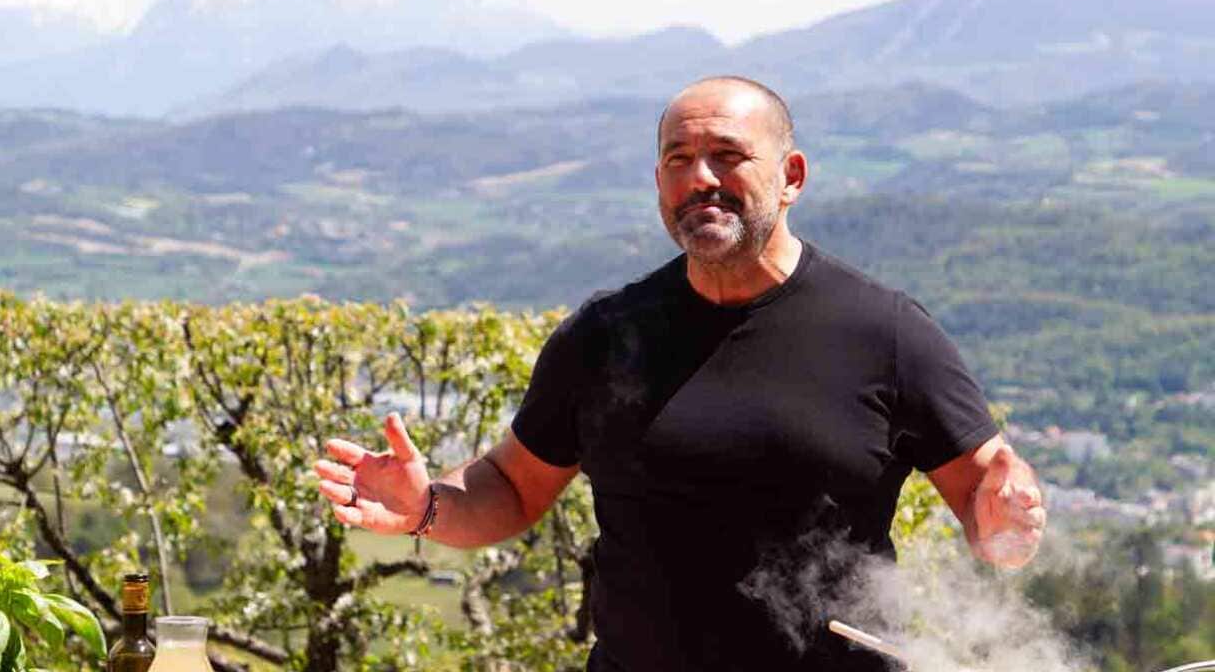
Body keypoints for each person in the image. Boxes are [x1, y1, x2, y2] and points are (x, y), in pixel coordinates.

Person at [313, 76, 1047, 671]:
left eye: (728, 156)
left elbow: (990, 499)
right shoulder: (605, 336)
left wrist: (1009, 520)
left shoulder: (884, 332)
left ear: (791, 176)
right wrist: (427, 508)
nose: (701, 180)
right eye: (677, 160)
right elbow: (509, 487)